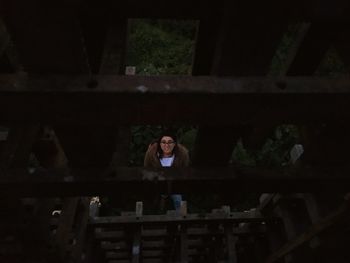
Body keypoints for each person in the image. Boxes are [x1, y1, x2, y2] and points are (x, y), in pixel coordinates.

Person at [144, 132, 190, 211]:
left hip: (175, 184)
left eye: (170, 142)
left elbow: (184, 169)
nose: (166, 145)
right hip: (157, 183)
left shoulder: (181, 154)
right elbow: (147, 167)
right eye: (163, 142)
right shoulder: (152, 154)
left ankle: (181, 219)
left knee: (178, 200)